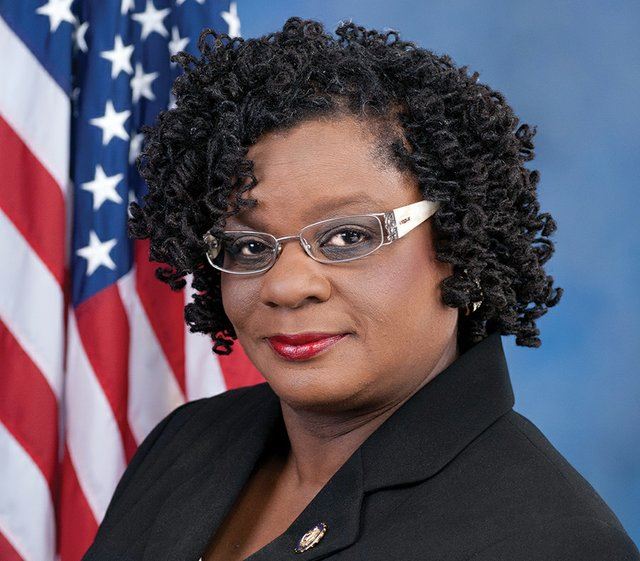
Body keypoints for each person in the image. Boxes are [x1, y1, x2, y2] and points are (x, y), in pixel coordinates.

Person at [82, 17, 639, 561]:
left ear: (461, 246)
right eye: (249, 246)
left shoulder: (552, 542)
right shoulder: (184, 444)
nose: (286, 286)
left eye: (348, 236)